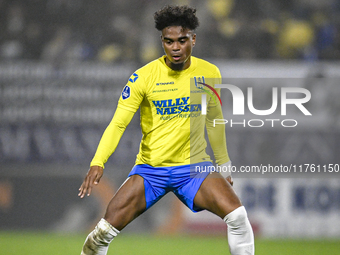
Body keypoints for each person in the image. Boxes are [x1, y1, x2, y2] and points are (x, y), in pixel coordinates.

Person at [78, 5, 254, 255]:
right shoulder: (143, 77)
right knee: (102, 233)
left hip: (194, 169)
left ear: (193, 39)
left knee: (237, 216)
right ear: (162, 41)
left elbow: (214, 119)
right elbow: (118, 123)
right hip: (151, 170)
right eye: (169, 41)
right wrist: (98, 161)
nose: (175, 47)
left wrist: (223, 164)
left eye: (182, 40)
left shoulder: (209, 73)